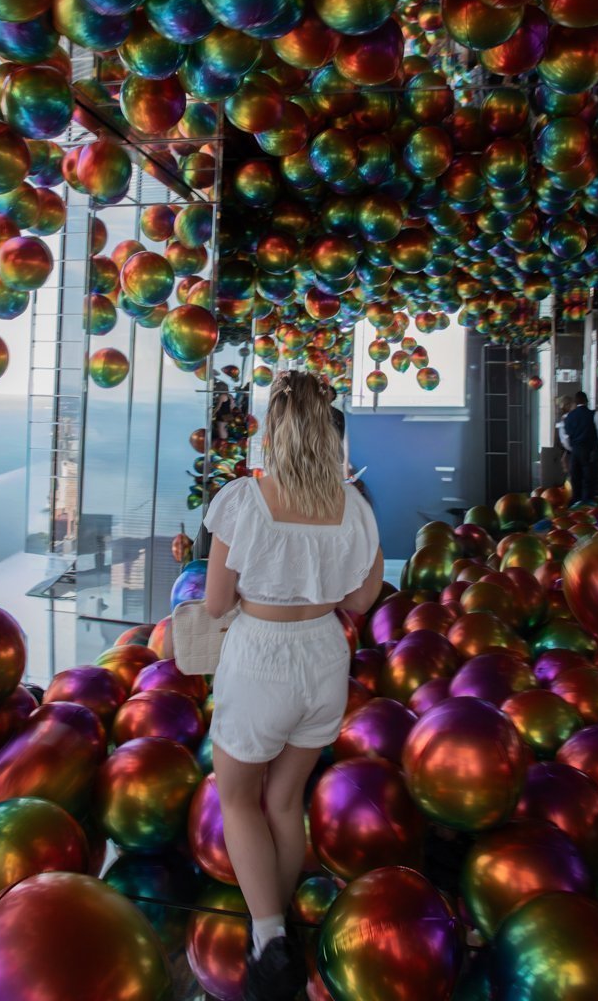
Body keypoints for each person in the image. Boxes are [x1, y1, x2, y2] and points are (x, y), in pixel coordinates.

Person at [202, 370, 383, 1000]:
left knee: (237, 800)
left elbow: (216, 603)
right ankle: (277, 941)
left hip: (261, 658)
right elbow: (361, 599)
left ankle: (269, 939)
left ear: (275, 430)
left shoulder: (243, 501)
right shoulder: (355, 507)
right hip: (325, 658)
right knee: (284, 801)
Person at [563, 391, 598, 503]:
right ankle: (587, 505)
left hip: (575, 452)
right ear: (587, 401)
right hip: (590, 451)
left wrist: (572, 449)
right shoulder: (594, 414)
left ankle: (576, 505)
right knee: (589, 479)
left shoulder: (568, 416)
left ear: (575, 402)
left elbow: (565, 438)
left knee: (576, 480)